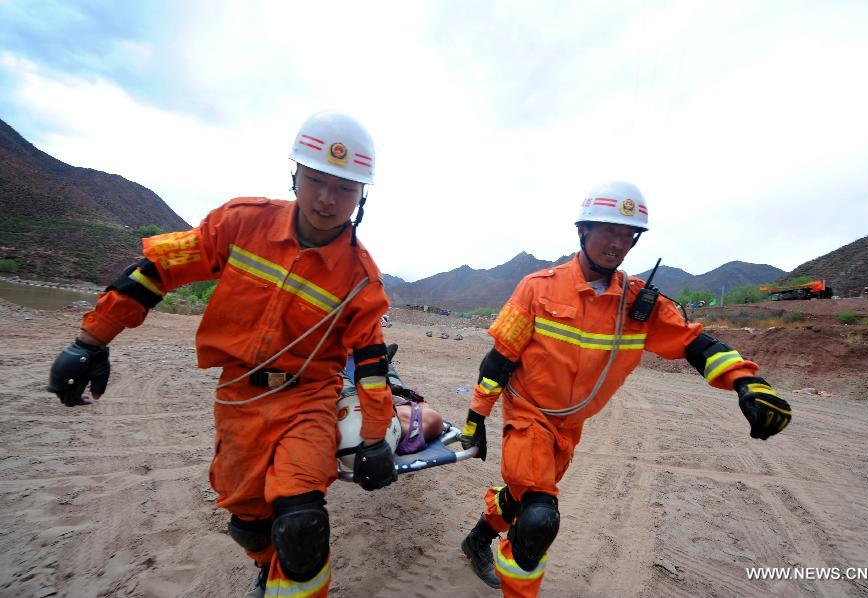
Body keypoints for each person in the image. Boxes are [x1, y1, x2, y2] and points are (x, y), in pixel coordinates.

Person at [47, 110, 399, 598]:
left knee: (300, 524)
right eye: (316, 181)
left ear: (362, 196)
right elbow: (157, 270)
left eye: (344, 189)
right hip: (239, 398)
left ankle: (289, 575)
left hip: (309, 400)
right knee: (249, 523)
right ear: (295, 174)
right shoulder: (242, 223)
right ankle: (267, 564)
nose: (326, 199)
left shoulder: (361, 278)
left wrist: (377, 437)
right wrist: (89, 342)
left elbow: (373, 365)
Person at [457, 181, 792, 596]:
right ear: (583, 231)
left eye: (625, 234)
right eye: (607, 230)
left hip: (569, 426)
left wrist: (746, 381)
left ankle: (476, 540)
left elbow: (695, 343)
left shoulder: (637, 306)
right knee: (539, 517)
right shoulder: (538, 288)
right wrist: (476, 418)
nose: (616, 242)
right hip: (528, 415)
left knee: (524, 496)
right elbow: (499, 360)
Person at [339, 343, 444, 455]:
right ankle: (386, 364)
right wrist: (419, 402)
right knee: (393, 387)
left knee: (342, 383)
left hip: (350, 412)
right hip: (390, 415)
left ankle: (338, 367)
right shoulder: (426, 423)